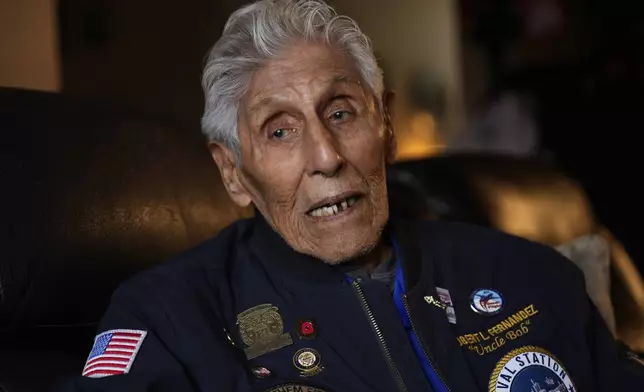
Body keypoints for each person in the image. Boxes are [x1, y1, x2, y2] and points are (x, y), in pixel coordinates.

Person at [57, 1, 644, 391]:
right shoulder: (168, 318)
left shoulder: (525, 272)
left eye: (341, 112)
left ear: (385, 127)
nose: (326, 156)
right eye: (279, 131)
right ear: (233, 172)